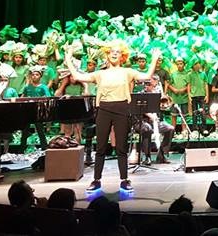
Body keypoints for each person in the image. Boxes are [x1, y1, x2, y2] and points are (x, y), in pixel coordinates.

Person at [64, 42, 160, 192]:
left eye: (118, 52)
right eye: (112, 52)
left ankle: (124, 180)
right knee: (101, 146)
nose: (114, 54)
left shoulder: (127, 71)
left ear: (122, 56)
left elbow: (147, 76)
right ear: (107, 55)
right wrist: (68, 58)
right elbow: (77, 76)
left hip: (122, 109)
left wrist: (154, 59)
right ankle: (96, 180)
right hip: (104, 109)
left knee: (121, 147)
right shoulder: (100, 73)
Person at [136, 76, 174, 164]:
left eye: (149, 84)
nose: (147, 86)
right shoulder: (140, 94)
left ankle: (162, 154)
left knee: (170, 128)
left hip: (156, 122)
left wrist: (165, 105)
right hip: (142, 121)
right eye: (146, 84)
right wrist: (150, 116)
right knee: (147, 129)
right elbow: (140, 109)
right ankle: (147, 157)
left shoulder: (157, 94)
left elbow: (162, 108)